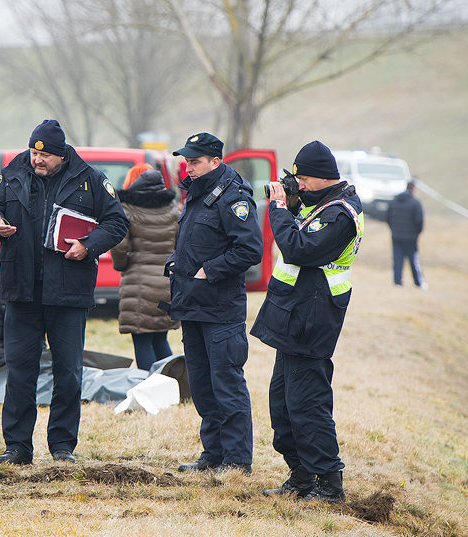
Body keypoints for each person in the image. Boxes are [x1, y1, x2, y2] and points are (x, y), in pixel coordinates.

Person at [0, 119, 129, 465]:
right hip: (21, 292)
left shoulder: (90, 179)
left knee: (68, 372)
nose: (36, 159)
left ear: (61, 155)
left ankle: (62, 447)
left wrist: (88, 246)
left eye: (43, 155)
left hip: (68, 294)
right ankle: (17, 447)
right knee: (19, 372)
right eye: (33, 152)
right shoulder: (13, 171)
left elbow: (117, 222)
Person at [251, 140, 364, 503]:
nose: (296, 185)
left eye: (300, 179)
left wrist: (280, 207)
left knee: (308, 403)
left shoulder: (340, 214)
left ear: (317, 177)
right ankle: (300, 477)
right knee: (282, 404)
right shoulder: (321, 204)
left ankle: (329, 485)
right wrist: (295, 203)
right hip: (295, 316)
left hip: (313, 319)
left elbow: (299, 248)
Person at [165, 133, 263, 475]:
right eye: (186, 162)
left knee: (226, 385)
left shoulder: (232, 196)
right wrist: (177, 262)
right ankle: (214, 455)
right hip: (192, 304)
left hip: (220, 309)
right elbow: (198, 241)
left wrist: (210, 271)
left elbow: (250, 249)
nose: (188, 168)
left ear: (215, 162)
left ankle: (237, 462)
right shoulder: (197, 193)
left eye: (194, 162)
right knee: (203, 387)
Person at [110, 163, 180, 370]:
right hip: (167, 284)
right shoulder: (172, 209)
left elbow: (119, 246)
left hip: (139, 283)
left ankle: (148, 390)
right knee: (160, 338)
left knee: (141, 341)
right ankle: (173, 384)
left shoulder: (127, 209)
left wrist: (122, 265)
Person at [386, 181, 426, 289]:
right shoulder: (415, 203)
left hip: (396, 236)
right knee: (413, 261)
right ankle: (418, 283)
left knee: (397, 260)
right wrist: (416, 233)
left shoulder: (394, 201)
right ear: (413, 189)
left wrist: (394, 230)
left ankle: (397, 282)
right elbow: (419, 221)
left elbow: (388, 218)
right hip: (411, 238)